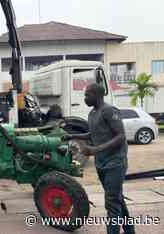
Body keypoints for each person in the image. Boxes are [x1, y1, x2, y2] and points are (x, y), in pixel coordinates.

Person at [64, 83, 135, 234]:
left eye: (87, 95)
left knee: (111, 202)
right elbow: (92, 133)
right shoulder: (92, 113)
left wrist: (95, 149)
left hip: (115, 162)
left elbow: (121, 136)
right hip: (101, 163)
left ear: (97, 95)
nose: (85, 98)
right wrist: (72, 135)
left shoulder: (109, 111)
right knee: (116, 198)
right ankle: (130, 230)